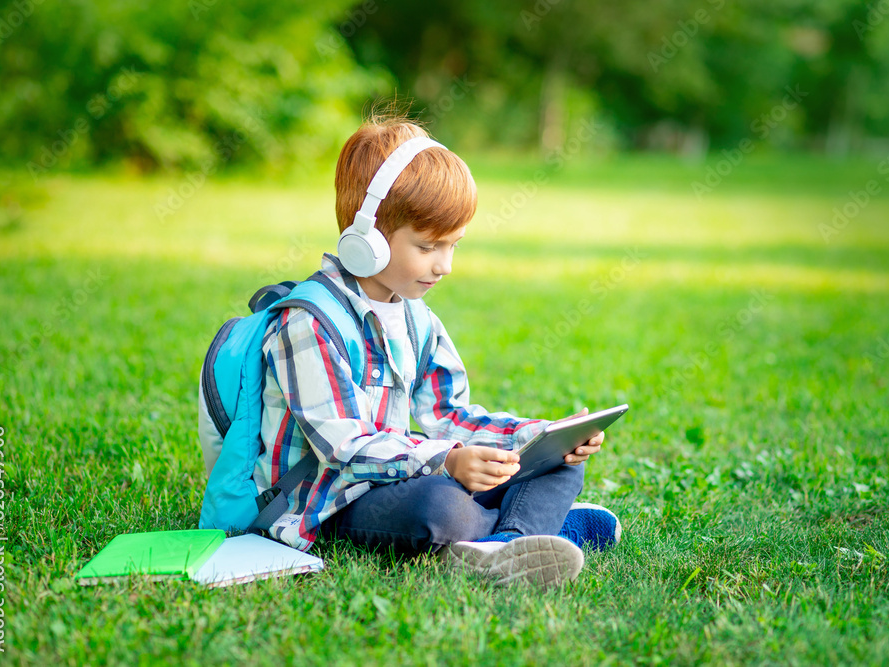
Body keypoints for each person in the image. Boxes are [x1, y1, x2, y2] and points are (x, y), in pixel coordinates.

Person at [253, 112, 621, 588]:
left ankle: (505, 542)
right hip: (328, 501)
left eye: (454, 245)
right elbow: (342, 445)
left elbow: (452, 414)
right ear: (369, 241)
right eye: (428, 246)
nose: (444, 265)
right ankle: (539, 530)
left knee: (558, 466)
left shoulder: (416, 317)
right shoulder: (307, 322)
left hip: (402, 474)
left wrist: (541, 436)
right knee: (442, 507)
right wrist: (447, 460)